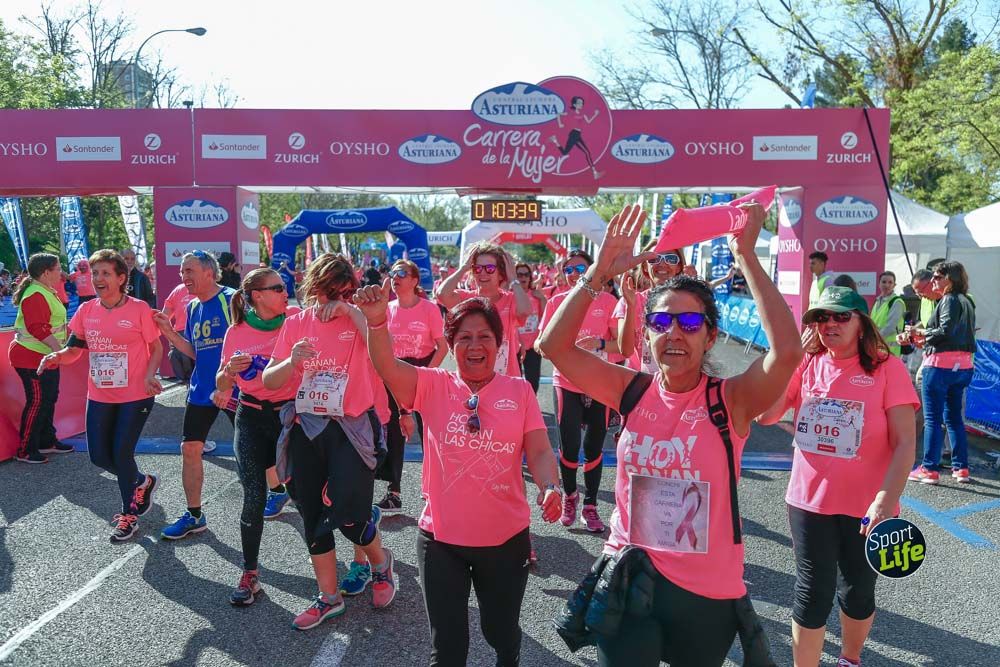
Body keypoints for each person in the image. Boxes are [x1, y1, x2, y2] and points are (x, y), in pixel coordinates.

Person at [539, 202, 801, 667]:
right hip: (628, 574)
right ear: (648, 332)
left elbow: (785, 353)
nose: (674, 333)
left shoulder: (730, 400)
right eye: (661, 322)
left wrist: (747, 257)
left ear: (710, 336)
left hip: (705, 590)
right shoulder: (631, 389)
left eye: (690, 322)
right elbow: (553, 346)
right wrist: (597, 274)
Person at [354, 285, 561, 667]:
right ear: (451, 345)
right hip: (440, 541)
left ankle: (509, 653)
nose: (474, 345)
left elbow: (540, 450)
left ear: (499, 345)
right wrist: (378, 321)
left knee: (498, 632)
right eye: (463, 337)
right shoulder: (434, 384)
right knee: (447, 648)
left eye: (484, 336)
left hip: (504, 539)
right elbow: (387, 366)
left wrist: (551, 486)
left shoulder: (519, 391)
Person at [758, 286, 918, 667]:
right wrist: (789, 359)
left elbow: (905, 442)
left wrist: (884, 498)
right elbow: (765, 416)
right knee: (812, 592)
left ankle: (850, 658)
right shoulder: (806, 363)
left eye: (841, 316)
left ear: (861, 323)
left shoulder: (886, 367)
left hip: (869, 507)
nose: (830, 324)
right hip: (809, 501)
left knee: (858, 592)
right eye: (821, 317)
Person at [261, 252, 396, 630]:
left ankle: (380, 563)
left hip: (352, 428)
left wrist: (351, 311)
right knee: (312, 515)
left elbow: (384, 354)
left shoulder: (357, 319)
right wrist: (291, 361)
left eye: (344, 291)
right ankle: (328, 598)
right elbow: (270, 381)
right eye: (327, 292)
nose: (333, 300)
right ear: (313, 288)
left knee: (350, 517)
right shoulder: (297, 323)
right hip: (309, 427)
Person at [38, 250, 163, 541]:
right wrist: (56, 356)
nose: (98, 279)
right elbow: (74, 350)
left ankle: (128, 515)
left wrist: (149, 375)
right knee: (98, 457)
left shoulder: (139, 309)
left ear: (121, 278)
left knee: (121, 453)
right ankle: (142, 482)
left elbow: (156, 348)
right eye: (95, 274)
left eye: (105, 273)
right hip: (100, 394)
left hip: (135, 394)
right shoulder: (86, 311)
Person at [217, 268, 299, 605]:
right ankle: (250, 573)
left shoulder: (295, 319)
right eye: (278, 288)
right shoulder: (236, 332)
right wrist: (229, 371)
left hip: (293, 416)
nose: (286, 292)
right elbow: (222, 385)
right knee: (253, 496)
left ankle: (344, 567)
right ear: (257, 296)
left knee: (307, 496)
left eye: (284, 287)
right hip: (250, 415)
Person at [152, 251, 236, 540]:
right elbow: (193, 350)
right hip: (202, 388)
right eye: (181, 272)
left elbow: (247, 342)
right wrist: (168, 333)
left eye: (189, 271)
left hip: (233, 386)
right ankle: (194, 514)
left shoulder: (231, 299)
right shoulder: (192, 308)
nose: (183, 277)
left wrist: (228, 384)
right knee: (190, 448)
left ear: (209, 273)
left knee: (256, 451)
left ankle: (280, 490)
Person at [537, 249, 621, 534]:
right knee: (570, 448)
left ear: (591, 270)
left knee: (594, 449)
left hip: (599, 383)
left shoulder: (609, 301)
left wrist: (597, 344)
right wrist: (561, 347)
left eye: (579, 268)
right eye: (568, 269)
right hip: (566, 383)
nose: (573, 274)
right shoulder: (557, 302)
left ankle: (591, 505)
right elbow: (540, 344)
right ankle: (570, 497)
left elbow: (621, 347)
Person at [375, 259, 447, 516]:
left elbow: (443, 346)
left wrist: (426, 374)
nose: (396, 277)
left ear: (415, 280)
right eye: (393, 273)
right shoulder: (388, 308)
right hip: (394, 372)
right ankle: (394, 493)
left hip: (423, 370)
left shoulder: (429, 309)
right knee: (395, 432)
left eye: (402, 273)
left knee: (431, 433)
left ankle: (436, 492)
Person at [907, 261, 977, 485]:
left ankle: (929, 468)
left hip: (940, 365)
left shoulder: (948, 299)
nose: (933, 280)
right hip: (963, 366)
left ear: (951, 279)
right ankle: (961, 468)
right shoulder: (966, 301)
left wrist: (923, 334)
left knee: (933, 419)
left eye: (938, 277)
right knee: (954, 418)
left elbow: (945, 330)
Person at [8, 253, 74, 463]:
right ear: (46, 273)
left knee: (49, 398)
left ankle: (46, 441)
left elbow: (54, 325)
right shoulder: (35, 294)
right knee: (37, 401)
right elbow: (38, 328)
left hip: (46, 355)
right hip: (30, 356)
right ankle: (25, 450)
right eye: (58, 268)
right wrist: (59, 351)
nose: (61, 273)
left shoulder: (46, 291)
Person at [435, 242, 530, 377]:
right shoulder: (465, 298)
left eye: (490, 268)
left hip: (505, 379)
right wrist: (463, 268)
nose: (483, 273)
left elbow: (525, 311)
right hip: (471, 377)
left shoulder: (510, 299)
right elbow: (442, 295)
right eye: (477, 268)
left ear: (501, 274)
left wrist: (513, 278)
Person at [613, 245, 686, 374]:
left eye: (670, 259)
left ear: (679, 267)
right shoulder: (629, 300)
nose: (662, 263)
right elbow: (626, 350)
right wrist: (631, 306)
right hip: (640, 382)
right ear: (646, 267)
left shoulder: (689, 302)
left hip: (676, 381)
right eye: (654, 259)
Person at [515, 262, 546, 393]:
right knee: (513, 381)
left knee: (533, 382)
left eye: (526, 274)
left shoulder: (537, 295)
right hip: (515, 345)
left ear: (530, 277)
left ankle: (529, 408)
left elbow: (545, 318)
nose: (523, 277)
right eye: (519, 275)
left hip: (533, 345)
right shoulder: (510, 295)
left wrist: (543, 299)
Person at [161, 281, 196, 383]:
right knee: (186, 372)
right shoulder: (178, 290)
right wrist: (171, 337)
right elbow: (164, 317)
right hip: (182, 335)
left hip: (201, 334)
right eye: (183, 272)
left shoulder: (208, 289)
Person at [871, 271, 906, 356]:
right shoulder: (877, 301)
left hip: (891, 351)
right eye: (884, 282)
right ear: (879, 284)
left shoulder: (897, 302)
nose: (886, 285)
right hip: (877, 348)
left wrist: (874, 340)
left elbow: (890, 327)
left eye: (890, 282)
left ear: (894, 285)